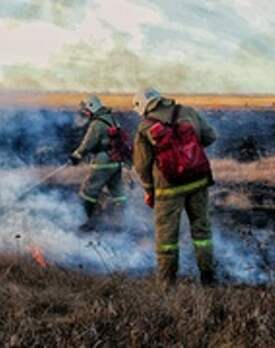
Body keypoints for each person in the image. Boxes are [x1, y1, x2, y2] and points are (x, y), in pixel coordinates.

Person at [132, 88, 217, 286]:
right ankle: (209, 279)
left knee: (167, 239)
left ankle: (167, 286)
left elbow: (142, 165)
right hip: (198, 180)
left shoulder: (145, 126)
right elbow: (211, 136)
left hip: (167, 188)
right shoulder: (188, 111)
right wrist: (188, 154)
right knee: (202, 232)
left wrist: (148, 190)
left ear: (142, 106)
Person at [70, 96, 128, 231]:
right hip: (116, 161)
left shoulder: (97, 124)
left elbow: (88, 143)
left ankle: (87, 221)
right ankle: (122, 222)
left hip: (103, 162)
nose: (85, 113)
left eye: (86, 110)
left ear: (92, 107)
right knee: (118, 192)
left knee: (89, 191)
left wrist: (76, 155)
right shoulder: (112, 118)